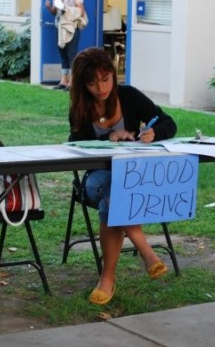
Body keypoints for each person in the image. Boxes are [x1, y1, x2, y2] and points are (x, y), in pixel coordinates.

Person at [68, 47, 178, 305]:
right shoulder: (81, 107)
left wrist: (154, 133)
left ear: (112, 76)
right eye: (93, 83)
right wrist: (111, 137)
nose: (101, 87)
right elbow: (76, 143)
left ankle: (107, 279)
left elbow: (168, 122)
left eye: (105, 79)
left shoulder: (128, 96)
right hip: (97, 176)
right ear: (84, 84)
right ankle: (147, 252)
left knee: (114, 199)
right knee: (112, 190)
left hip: (132, 176)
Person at [45, 0, 86, 91]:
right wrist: (49, 7)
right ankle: (64, 81)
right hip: (59, 28)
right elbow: (55, 12)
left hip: (72, 29)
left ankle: (72, 82)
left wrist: (66, 9)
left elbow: (81, 12)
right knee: (63, 53)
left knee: (71, 55)